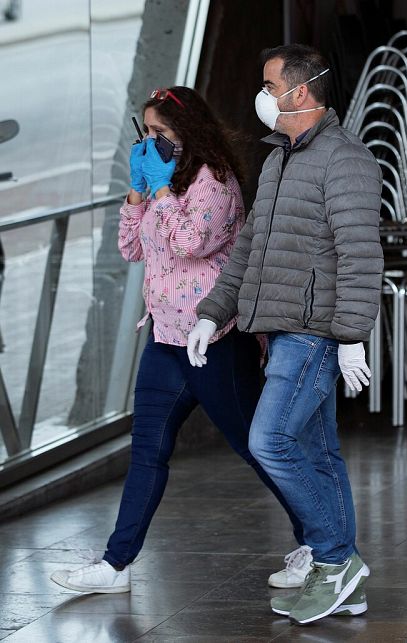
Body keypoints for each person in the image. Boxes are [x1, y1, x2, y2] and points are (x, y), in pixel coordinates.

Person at [50, 86, 306, 594]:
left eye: (160, 133)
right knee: (147, 450)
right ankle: (115, 566)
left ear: (188, 133)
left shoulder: (216, 183)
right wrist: (137, 193)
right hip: (165, 341)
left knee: (259, 447)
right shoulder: (158, 182)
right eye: (145, 132)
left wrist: (164, 192)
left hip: (215, 341)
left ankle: (320, 542)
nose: (151, 141)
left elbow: (191, 243)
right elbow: (130, 248)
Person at [187, 44, 382, 625]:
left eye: (268, 84)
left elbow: (358, 254)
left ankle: (334, 558)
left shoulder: (346, 161)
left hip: (312, 332)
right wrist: (210, 311)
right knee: (319, 453)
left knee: (270, 441)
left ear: (299, 93)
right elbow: (249, 250)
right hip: (280, 330)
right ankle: (346, 578)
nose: (262, 95)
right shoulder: (280, 160)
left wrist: (351, 335)